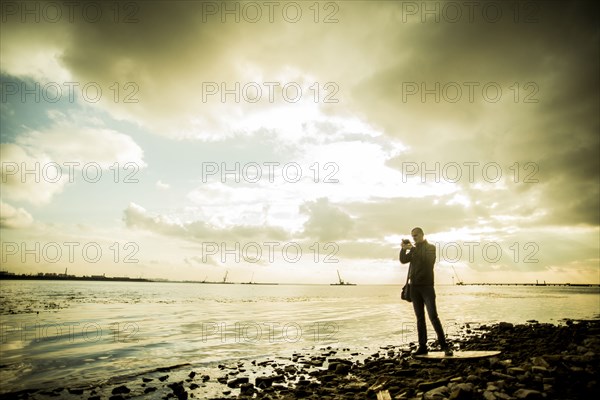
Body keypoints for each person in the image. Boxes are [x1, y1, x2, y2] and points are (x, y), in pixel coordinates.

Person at [400, 227, 453, 356]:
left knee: (433, 316)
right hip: (414, 288)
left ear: (422, 235)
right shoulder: (413, 250)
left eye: (416, 235)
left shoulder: (430, 248)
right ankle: (422, 347)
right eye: (412, 236)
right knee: (420, 318)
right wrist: (403, 249)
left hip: (427, 287)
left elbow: (427, 262)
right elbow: (403, 260)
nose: (414, 238)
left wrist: (412, 249)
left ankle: (444, 346)